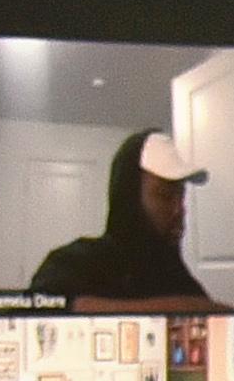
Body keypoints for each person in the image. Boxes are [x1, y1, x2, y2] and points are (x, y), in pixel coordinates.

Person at [23, 129, 213, 306]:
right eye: (165, 195)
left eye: (182, 197)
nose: (179, 210)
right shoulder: (73, 264)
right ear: (129, 197)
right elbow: (37, 310)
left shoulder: (181, 282)